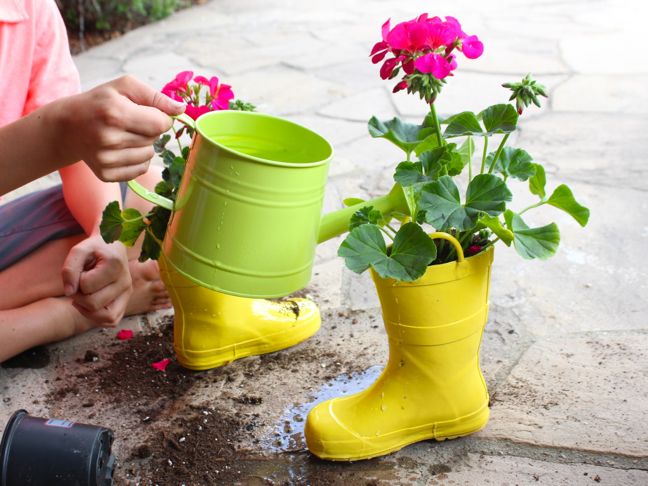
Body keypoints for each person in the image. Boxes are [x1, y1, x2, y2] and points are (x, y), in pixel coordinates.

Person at [0, 0, 184, 361]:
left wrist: (106, 236)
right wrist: (60, 131)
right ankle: (63, 315)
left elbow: (78, 158)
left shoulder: (28, 8)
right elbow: (66, 135)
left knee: (146, 196)